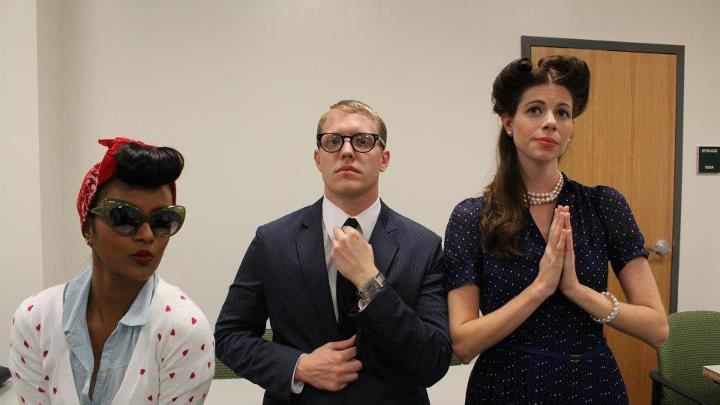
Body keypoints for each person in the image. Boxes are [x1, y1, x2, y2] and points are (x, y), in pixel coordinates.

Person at [444, 56, 669, 404]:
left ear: (571, 127)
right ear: (508, 122)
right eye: (535, 110)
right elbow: (463, 342)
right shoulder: (473, 217)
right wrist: (539, 288)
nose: (550, 122)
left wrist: (578, 291)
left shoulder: (604, 206)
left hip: (592, 387)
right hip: (505, 387)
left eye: (562, 112)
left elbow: (657, 329)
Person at [215, 100, 452, 405]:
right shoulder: (272, 241)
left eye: (363, 141)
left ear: (384, 159)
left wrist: (370, 281)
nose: (347, 151)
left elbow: (434, 361)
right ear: (318, 158)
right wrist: (298, 366)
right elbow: (230, 336)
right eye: (333, 141)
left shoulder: (424, 246)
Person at [9, 138, 214, 404]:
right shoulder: (35, 320)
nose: (147, 235)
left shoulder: (185, 329)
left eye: (163, 221)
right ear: (87, 227)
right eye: (124, 217)